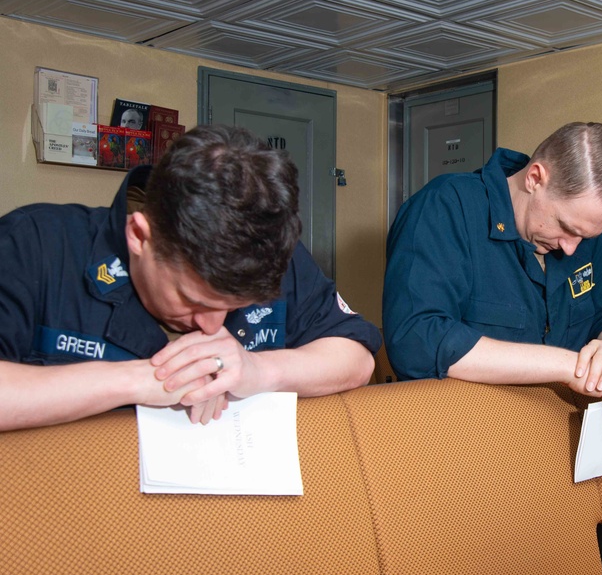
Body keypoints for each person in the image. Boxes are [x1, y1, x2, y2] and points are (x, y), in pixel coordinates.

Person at [0, 124, 381, 432]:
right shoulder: (34, 244)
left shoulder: (266, 251)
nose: (212, 325)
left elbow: (356, 359)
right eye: (193, 300)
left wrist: (258, 370)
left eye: (234, 308)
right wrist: (141, 381)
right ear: (140, 236)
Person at [383, 122, 602, 431]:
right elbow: (417, 339)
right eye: (567, 228)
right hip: (462, 431)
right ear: (535, 178)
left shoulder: (584, 236)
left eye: (586, 236)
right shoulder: (446, 207)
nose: (572, 248)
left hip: (555, 431)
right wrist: (571, 367)